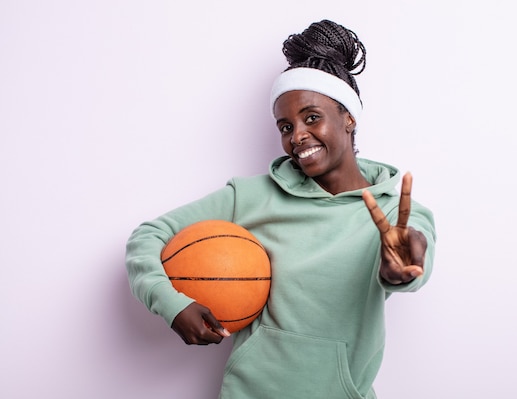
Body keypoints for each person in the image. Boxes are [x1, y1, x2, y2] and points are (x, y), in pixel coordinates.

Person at [126, 19, 436, 399]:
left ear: (349, 118)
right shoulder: (252, 196)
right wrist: (172, 304)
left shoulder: (397, 214)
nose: (297, 136)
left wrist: (402, 268)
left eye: (312, 118)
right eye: (285, 126)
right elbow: (147, 237)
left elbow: (412, 261)